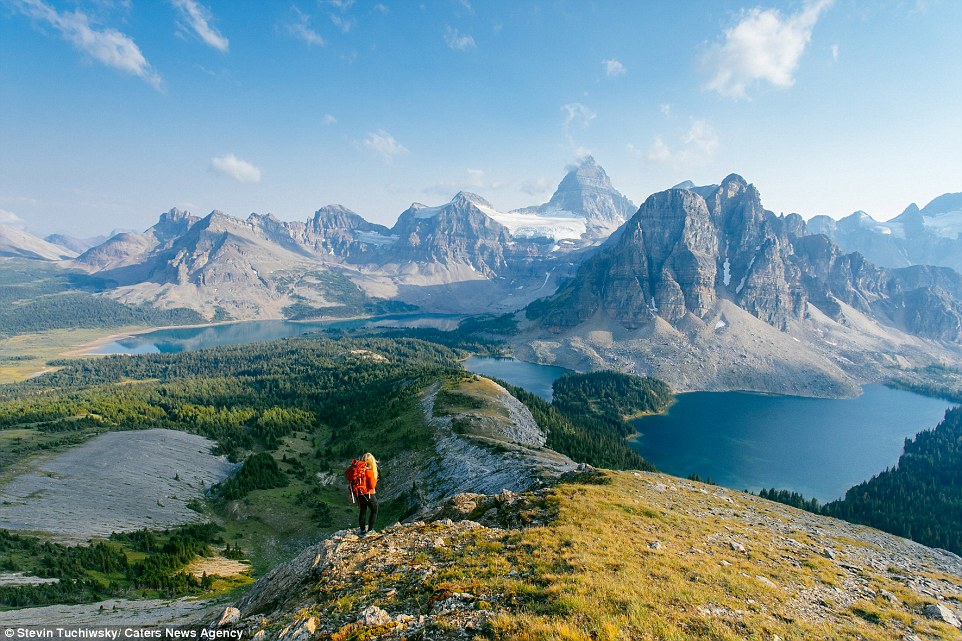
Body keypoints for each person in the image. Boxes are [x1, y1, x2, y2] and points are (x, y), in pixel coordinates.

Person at [353, 452, 378, 535]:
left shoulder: (358, 470)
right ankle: (370, 530)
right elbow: (372, 485)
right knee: (374, 510)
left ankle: (362, 530)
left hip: (359, 494)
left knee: (363, 511)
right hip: (368, 494)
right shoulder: (369, 471)